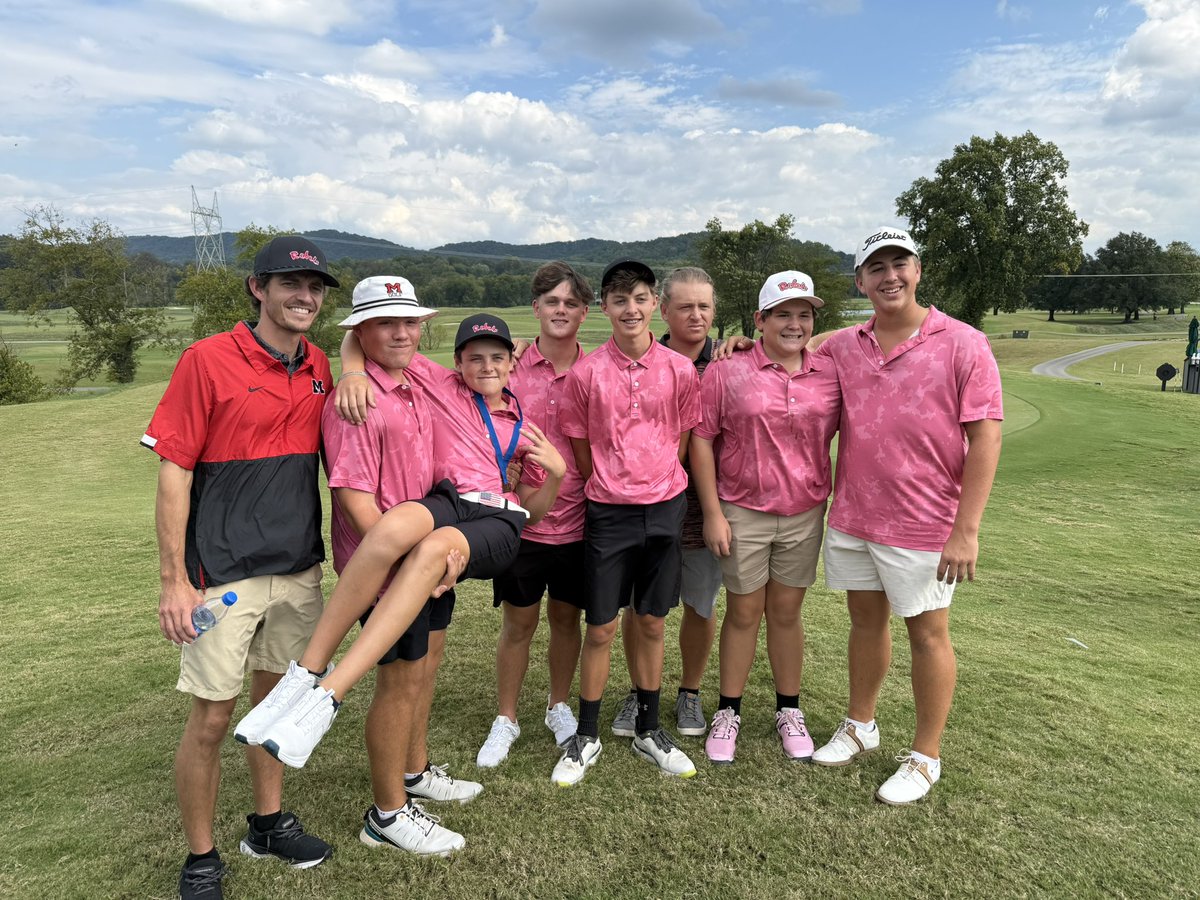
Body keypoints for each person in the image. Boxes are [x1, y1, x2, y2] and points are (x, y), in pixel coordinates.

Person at [235, 315, 565, 790]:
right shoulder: (444, 386)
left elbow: (532, 513)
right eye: (475, 357)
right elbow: (371, 336)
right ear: (456, 363)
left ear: (513, 363)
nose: (486, 366)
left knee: (429, 550)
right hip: (451, 500)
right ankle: (304, 675)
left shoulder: (523, 424)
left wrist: (553, 473)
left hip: (498, 519)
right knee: (391, 531)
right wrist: (349, 372)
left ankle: (327, 697)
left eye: (497, 357)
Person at [142, 235, 338, 900]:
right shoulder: (207, 360)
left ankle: (268, 824)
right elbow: (174, 469)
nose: (304, 296)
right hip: (221, 577)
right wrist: (174, 580)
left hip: (298, 568)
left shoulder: (320, 365)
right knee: (212, 719)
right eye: (289, 284)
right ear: (258, 288)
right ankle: (201, 859)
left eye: (314, 288)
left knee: (276, 706)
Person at [810, 227, 1003, 805]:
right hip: (853, 515)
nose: (889, 275)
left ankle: (925, 756)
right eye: (876, 267)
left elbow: (986, 437)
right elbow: (793, 343)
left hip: (924, 522)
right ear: (860, 281)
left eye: (900, 263)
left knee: (927, 633)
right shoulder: (845, 344)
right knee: (864, 622)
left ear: (918, 269)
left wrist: (966, 529)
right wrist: (741, 344)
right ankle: (861, 725)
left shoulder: (964, 342)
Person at [320, 276, 482, 855]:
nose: (403, 332)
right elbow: (356, 502)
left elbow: (480, 371)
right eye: (387, 322)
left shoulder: (420, 378)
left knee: (425, 666)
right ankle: (387, 814)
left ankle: (414, 773)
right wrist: (353, 369)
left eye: (410, 321)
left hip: (431, 554)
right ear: (360, 329)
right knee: (397, 681)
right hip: (388, 572)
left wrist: (353, 360)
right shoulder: (353, 402)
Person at [551, 259, 702, 787]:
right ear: (606, 308)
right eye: (620, 300)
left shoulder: (680, 370)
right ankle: (587, 734)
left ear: (653, 303)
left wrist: (659, 479)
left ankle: (649, 729)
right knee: (602, 627)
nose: (630, 309)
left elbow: (682, 436)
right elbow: (578, 443)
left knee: (654, 621)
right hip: (608, 512)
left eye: (640, 298)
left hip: (665, 508)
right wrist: (614, 483)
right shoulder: (587, 372)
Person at [690, 272, 841, 765]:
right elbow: (703, 439)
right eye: (783, 314)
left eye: (804, 315)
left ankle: (788, 710)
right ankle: (728, 711)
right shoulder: (727, 369)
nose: (794, 324)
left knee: (786, 613)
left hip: (804, 512)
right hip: (742, 510)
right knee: (743, 613)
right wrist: (712, 512)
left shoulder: (829, 372)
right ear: (760, 320)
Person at [477, 262, 591, 767]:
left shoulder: (598, 368)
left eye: (570, 303)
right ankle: (506, 717)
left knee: (567, 620)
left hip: (582, 520)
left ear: (585, 312)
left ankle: (558, 705)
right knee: (518, 623)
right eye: (551, 302)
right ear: (536, 309)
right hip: (520, 520)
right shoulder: (511, 366)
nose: (560, 310)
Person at [611, 267, 723, 741]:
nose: (695, 315)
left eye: (704, 306)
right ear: (664, 308)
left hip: (705, 508)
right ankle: (641, 690)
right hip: (644, 507)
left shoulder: (731, 362)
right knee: (639, 607)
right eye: (685, 306)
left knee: (699, 603)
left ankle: (690, 693)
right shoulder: (642, 360)